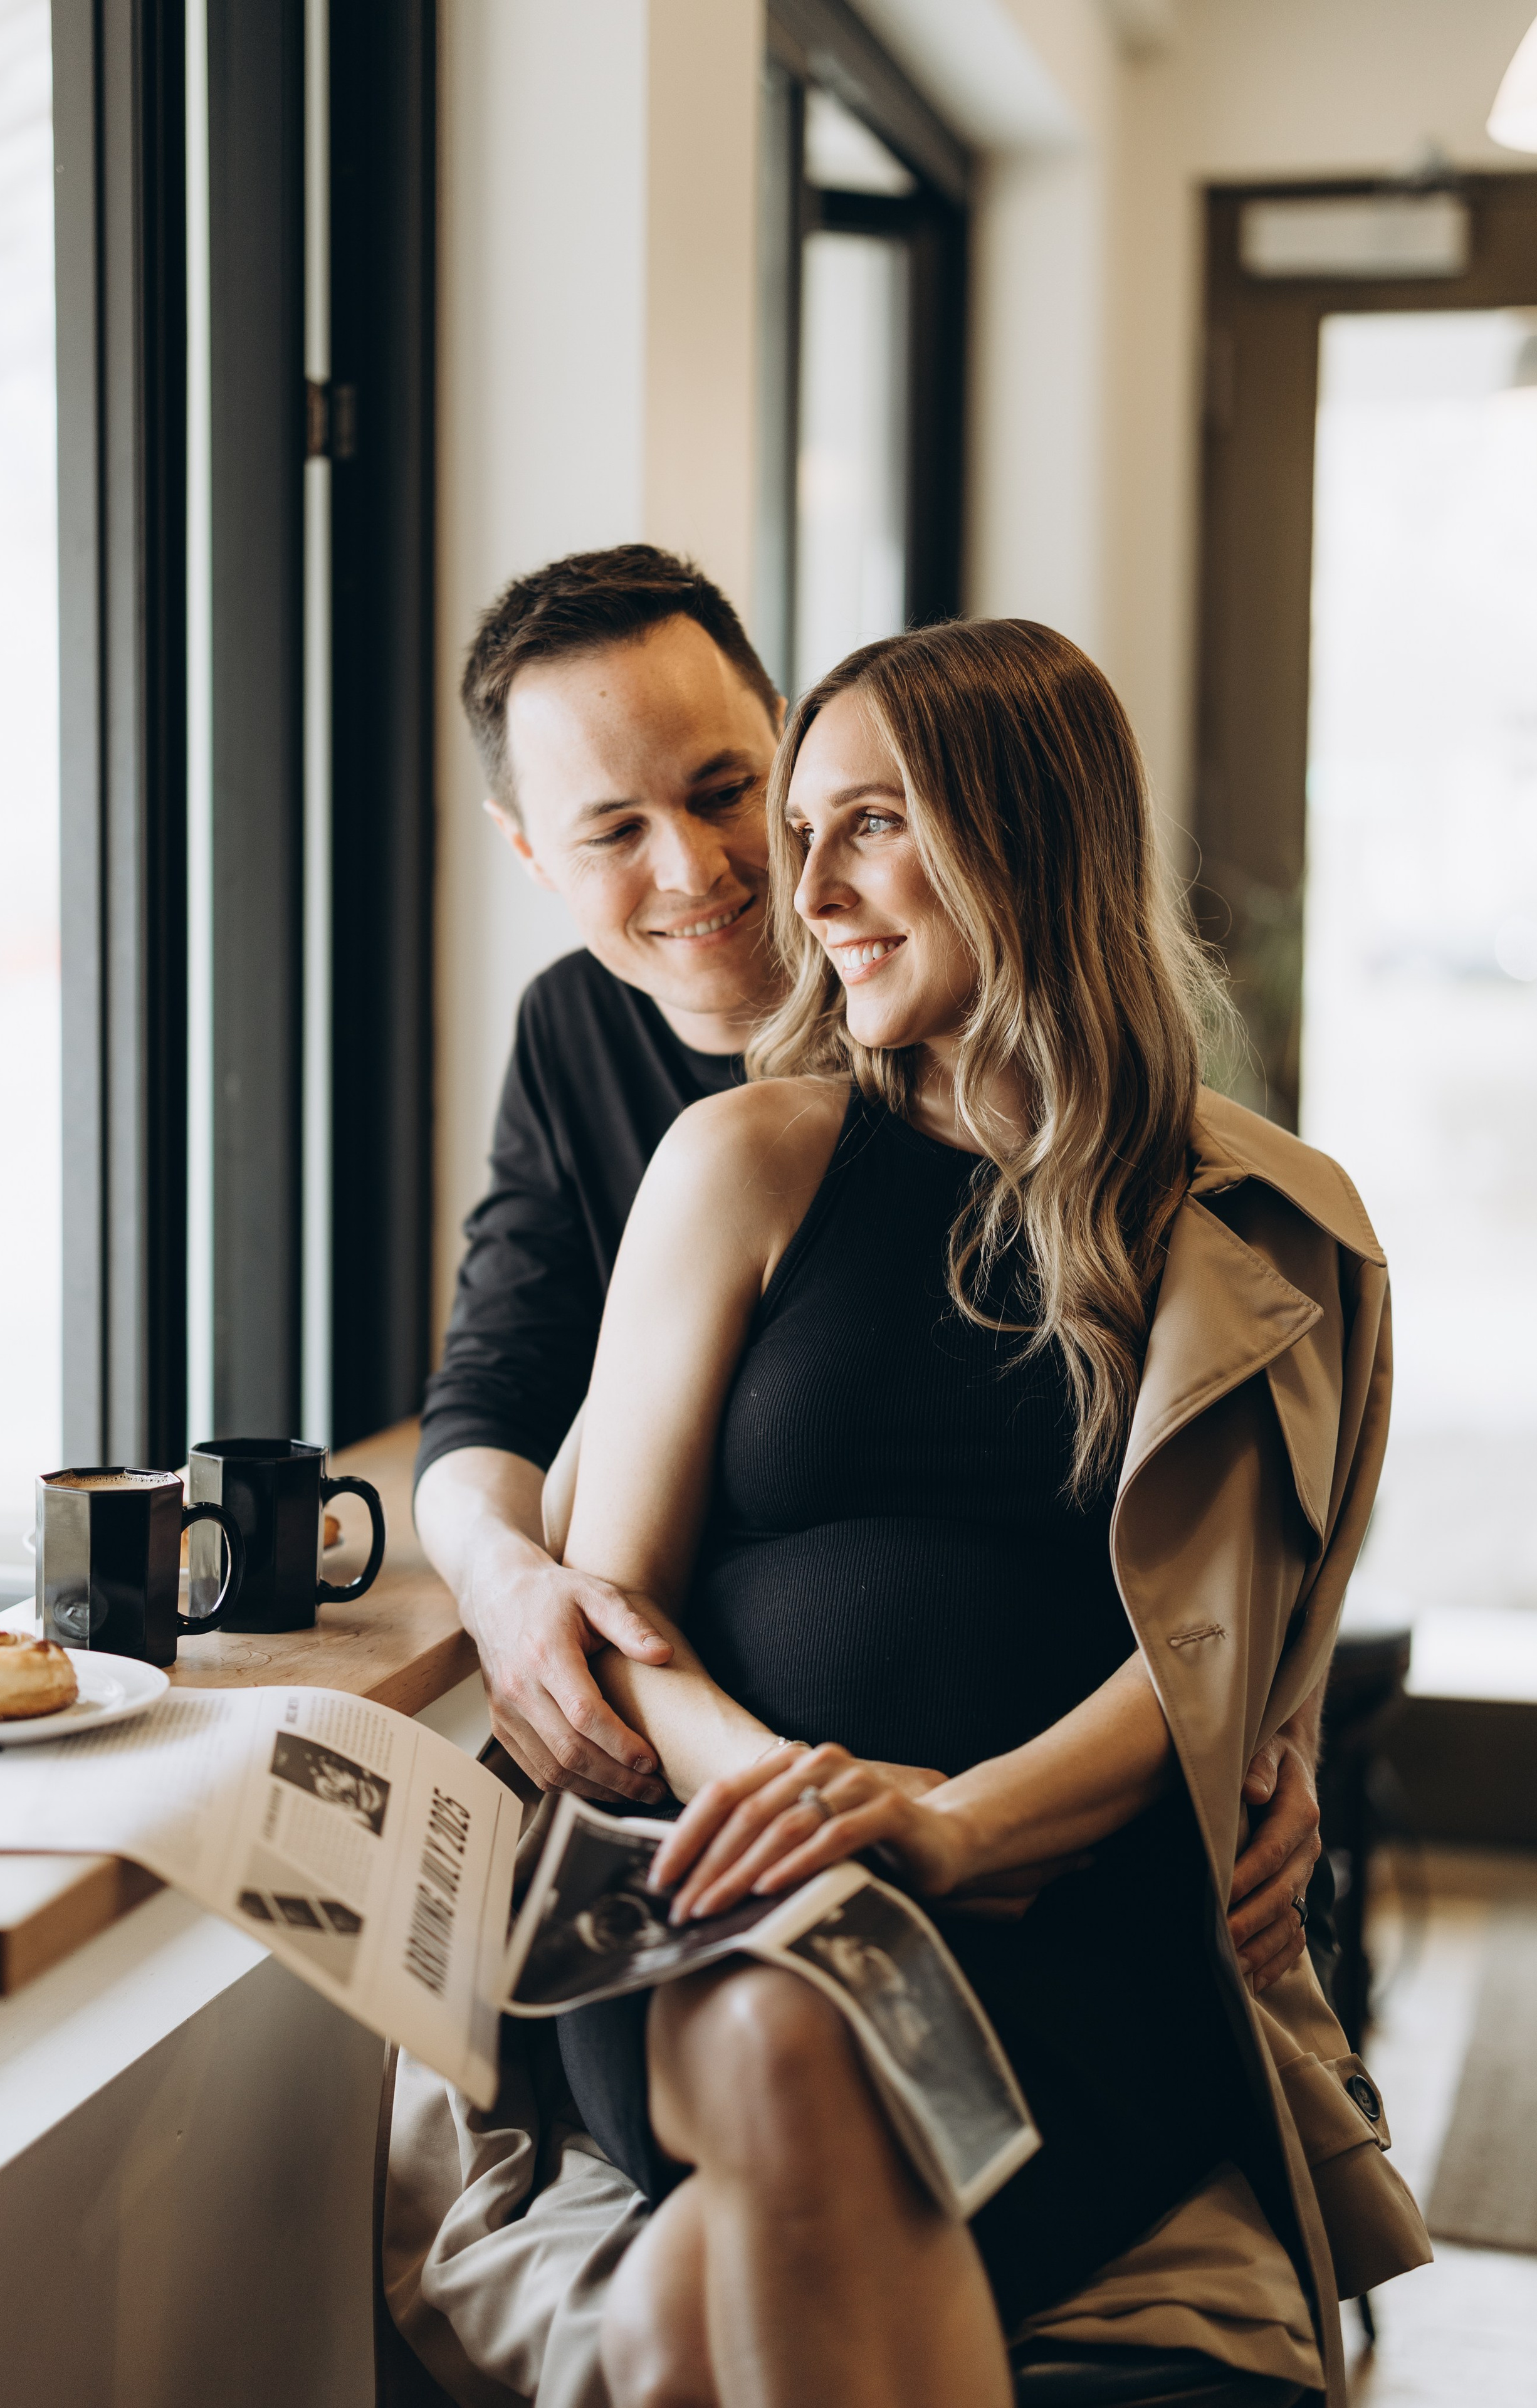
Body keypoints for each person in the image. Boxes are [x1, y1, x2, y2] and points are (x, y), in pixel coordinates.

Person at [544, 619, 1429, 2408]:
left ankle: (665, 2323)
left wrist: (944, 1830)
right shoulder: (741, 1164)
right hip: (732, 1893)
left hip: (1077, 1935)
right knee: (800, 2020)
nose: (809, 891)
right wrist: (790, 1807)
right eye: (803, 836)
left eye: (865, 826)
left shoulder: (1255, 1230)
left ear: (1023, 833)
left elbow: (1198, 1671)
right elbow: (613, 1606)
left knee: (687, 2321)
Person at [413, 546, 1321, 1999]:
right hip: (740, 1817)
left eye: (725, 794)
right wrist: (505, 1574)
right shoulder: (617, 1063)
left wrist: (1268, 1708)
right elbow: (498, 1377)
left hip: (1048, 1859)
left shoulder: (1160, 1172)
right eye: (612, 831)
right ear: (531, 851)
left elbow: (1222, 1517)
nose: (710, 874)